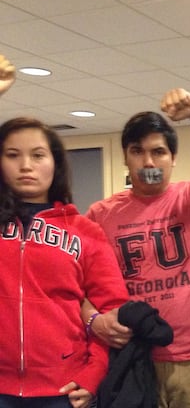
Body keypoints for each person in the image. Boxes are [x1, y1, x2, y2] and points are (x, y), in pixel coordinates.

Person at [84, 89, 190, 406]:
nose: (148, 161)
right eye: (137, 151)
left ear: (173, 158)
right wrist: (94, 320)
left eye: (158, 152)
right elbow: (76, 286)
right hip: (133, 361)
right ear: (125, 157)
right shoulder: (100, 215)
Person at [0, 55, 129, 408]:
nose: (26, 165)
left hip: (62, 391)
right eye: (12, 154)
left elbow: (111, 310)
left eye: (38, 155)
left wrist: (92, 374)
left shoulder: (84, 231)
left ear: (55, 163)